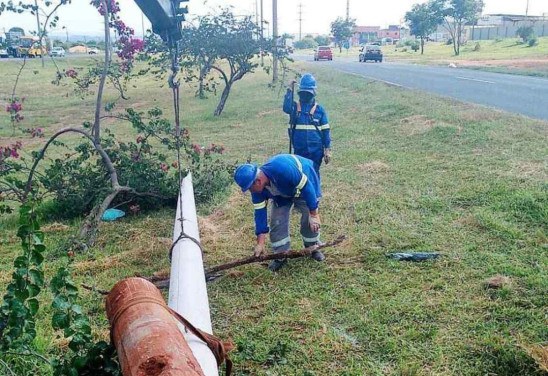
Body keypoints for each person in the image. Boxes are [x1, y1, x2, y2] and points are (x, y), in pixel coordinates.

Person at [234, 154, 325, 272]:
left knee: (309, 218)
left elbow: (307, 187)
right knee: (277, 220)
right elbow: (260, 214)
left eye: (249, 188)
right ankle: (281, 255)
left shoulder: (282, 169)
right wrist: (260, 243)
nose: (250, 191)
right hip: (282, 192)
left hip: (305, 184)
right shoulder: (257, 190)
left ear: (258, 181)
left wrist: (314, 214)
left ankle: (313, 248)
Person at [283, 73, 332, 177]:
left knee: (313, 174)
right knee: (300, 175)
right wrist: (289, 90)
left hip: (316, 152)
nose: (305, 95)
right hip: (299, 150)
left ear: (313, 93)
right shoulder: (294, 108)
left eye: (308, 93)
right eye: (303, 93)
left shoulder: (319, 110)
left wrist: (327, 150)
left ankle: (315, 193)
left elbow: (326, 131)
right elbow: (286, 108)